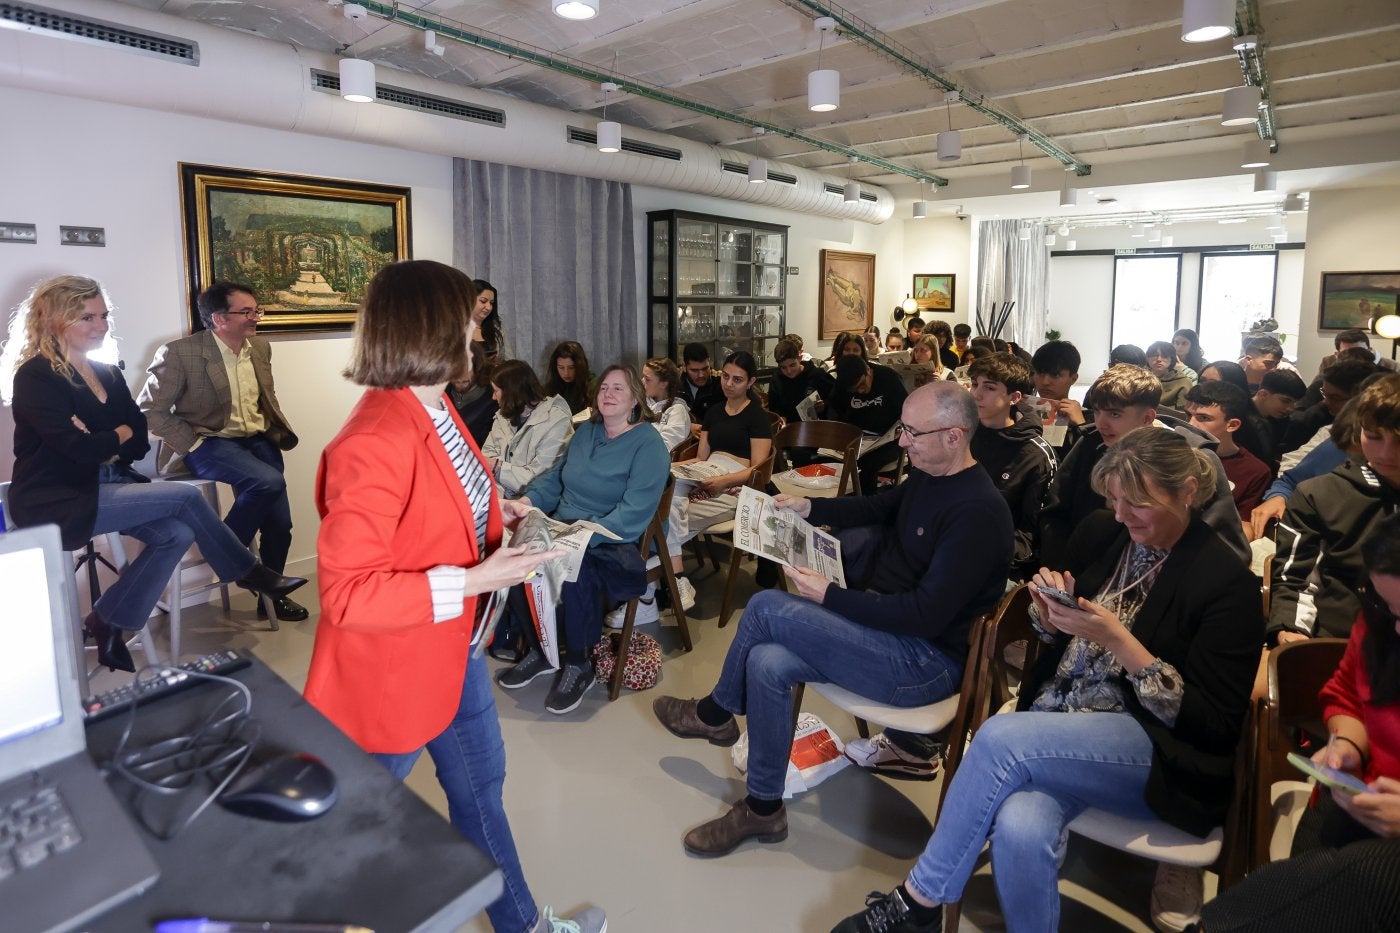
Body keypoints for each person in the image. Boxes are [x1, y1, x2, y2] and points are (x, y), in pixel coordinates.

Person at [831, 427, 1263, 933]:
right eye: (1116, 500)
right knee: (1018, 824)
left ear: (1189, 491)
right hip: (1065, 723)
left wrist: (1121, 643)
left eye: (1139, 504)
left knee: (1000, 738)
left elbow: (1212, 724)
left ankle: (919, 902)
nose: (1122, 515)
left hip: (1155, 749)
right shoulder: (1106, 533)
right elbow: (1061, 635)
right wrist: (1048, 613)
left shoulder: (1225, 583)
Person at [303, 260, 603, 933]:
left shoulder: (433, 405)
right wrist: (474, 579)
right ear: (434, 327)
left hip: (454, 650)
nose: (479, 329)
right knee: (342, 840)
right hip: (397, 668)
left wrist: (502, 508)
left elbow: (448, 489)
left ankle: (523, 925)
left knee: (480, 797)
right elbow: (349, 594)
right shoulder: (375, 436)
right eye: (470, 318)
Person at [653, 381, 1013, 857]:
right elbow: (877, 506)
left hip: (923, 665)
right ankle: (764, 809)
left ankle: (715, 714)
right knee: (765, 661)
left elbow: (925, 615)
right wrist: (810, 506)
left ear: (954, 436)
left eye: (912, 433)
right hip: (887, 635)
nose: (902, 442)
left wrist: (831, 596)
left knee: (763, 608)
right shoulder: (932, 473)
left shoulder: (979, 512)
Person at [2, 275, 305, 671]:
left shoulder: (107, 372)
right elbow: (77, 449)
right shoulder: (36, 376)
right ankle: (248, 572)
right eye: (87, 318)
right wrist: (116, 434)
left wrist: (108, 436)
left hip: (116, 484)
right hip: (59, 495)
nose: (101, 326)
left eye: (103, 316)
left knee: (177, 534)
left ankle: (107, 619)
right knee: (185, 497)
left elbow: (138, 439)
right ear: (53, 319)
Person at [1195, 512, 1400, 933]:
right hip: (1358, 792)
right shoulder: (1380, 620)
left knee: (1365, 879)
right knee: (1295, 886)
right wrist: (1348, 744)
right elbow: (1348, 694)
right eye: (1388, 606)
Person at [497, 364, 670, 714]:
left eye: (618, 389)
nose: (608, 394)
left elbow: (633, 513)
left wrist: (581, 536)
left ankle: (579, 663)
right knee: (517, 560)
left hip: (615, 539)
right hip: (567, 526)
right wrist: (526, 502)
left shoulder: (650, 445)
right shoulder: (586, 432)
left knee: (573, 573)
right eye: (604, 387)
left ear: (636, 397)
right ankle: (541, 651)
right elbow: (556, 480)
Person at [137, 281, 308, 621]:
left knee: (281, 525)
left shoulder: (259, 348)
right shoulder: (179, 353)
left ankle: (269, 597)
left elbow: (264, 398)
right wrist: (193, 444)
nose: (255, 317)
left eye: (256, 310)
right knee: (267, 482)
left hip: (257, 439)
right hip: (210, 441)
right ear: (218, 318)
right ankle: (232, 560)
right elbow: (149, 410)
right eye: (246, 312)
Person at [1039, 364, 1250, 570]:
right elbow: (1056, 512)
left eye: (1114, 414)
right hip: (1086, 571)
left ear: (1148, 417)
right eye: (1097, 411)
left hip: (1165, 579)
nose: (1101, 423)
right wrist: (1060, 571)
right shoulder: (1092, 442)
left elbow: (1229, 547)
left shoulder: (1191, 457)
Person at [1269, 374, 1400, 644]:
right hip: (1341, 639)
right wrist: (1291, 630)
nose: (1386, 453)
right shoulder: (1321, 494)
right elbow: (1296, 579)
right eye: (1374, 437)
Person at [664, 351, 775, 597]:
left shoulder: (756, 416)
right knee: (663, 495)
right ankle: (675, 578)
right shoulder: (714, 411)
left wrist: (724, 481)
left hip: (736, 481)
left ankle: (666, 580)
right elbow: (701, 457)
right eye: (725, 376)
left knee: (667, 516)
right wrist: (672, 468)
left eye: (737, 379)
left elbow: (759, 468)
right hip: (705, 471)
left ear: (751, 383)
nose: (728, 383)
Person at [967, 353, 1056, 581]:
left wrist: (982, 550)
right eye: (975, 384)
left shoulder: (1035, 455)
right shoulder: (963, 433)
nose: (976, 394)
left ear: (1014, 397)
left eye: (989, 388)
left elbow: (1031, 535)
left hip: (997, 558)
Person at [480, 360, 574, 500]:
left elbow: (540, 480)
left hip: (532, 502)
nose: (493, 397)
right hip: (497, 496)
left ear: (511, 392)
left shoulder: (556, 421)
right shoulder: (503, 415)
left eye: (496, 391)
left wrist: (497, 467)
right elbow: (486, 456)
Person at [1184, 381, 1273, 520]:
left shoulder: (1255, 472)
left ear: (1232, 425)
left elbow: (1242, 526)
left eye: (1204, 418)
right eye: (1188, 415)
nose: (1190, 424)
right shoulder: (1173, 450)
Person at [830, 354, 908, 494]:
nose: (860, 391)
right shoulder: (842, 385)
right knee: (827, 458)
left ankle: (865, 505)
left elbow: (905, 412)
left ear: (867, 370)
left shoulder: (889, 379)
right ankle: (840, 502)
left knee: (866, 464)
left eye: (861, 385)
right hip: (857, 437)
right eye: (854, 390)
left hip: (886, 438)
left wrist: (897, 432)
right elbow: (836, 410)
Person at [1279, 357, 1377, 456]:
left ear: (1361, 398)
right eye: (1324, 394)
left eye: (1334, 397)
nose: (1325, 402)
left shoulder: (1377, 429)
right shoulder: (1319, 415)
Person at [1031, 339, 1085, 460]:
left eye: (1055, 375)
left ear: (1074, 378)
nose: (1045, 382)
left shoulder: (1087, 418)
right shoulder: (1021, 412)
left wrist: (1081, 426)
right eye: (1040, 373)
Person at [765, 337, 835, 424]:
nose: (788, 371)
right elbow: (774, 408)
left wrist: (825, 404)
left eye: (792, 365)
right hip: (788, 427)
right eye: (783, 367)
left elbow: (836, 396)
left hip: (816, 427)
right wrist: (781, 418)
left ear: (800, 358)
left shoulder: (816, 374)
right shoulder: (776, 379)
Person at [447, 340, 499, 445]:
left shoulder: (495, 398)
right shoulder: (439, 395)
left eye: (467, 369)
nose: (460, 377)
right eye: (455, 370)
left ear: (477, 367)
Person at [642, 356, 692, 454]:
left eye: (647, 379)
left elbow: (664, 449)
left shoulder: (677, 411)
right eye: (643, 376)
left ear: (663, 383)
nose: (642, 381)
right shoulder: (640, 403)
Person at [543, 340, 594, 415]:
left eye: (571, 368)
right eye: (561, 368)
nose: (566, 373)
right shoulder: (551, 387)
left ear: (580, 366)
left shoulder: (593, 386)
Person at [680, 341, 724, 429]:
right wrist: (688, 427)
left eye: (705, 368)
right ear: (684, 367)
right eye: (695, 370)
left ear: (709, 362)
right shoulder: (673, 382)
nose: (701, 375)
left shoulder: (721, 381)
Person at [1146, 340, 1198, 409]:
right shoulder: (1140, 377)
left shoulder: (1183, 382)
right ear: (1147, 358)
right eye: (1155, 355)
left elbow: (1183, 413)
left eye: (1164, 356)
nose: (1159, 359)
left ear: (1172, 359)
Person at [471, 278, 506, 364]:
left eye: (491, 303)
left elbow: (508, 360)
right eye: (483, 301)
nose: (489, 307)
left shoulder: (497, 328)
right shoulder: (455, 329)